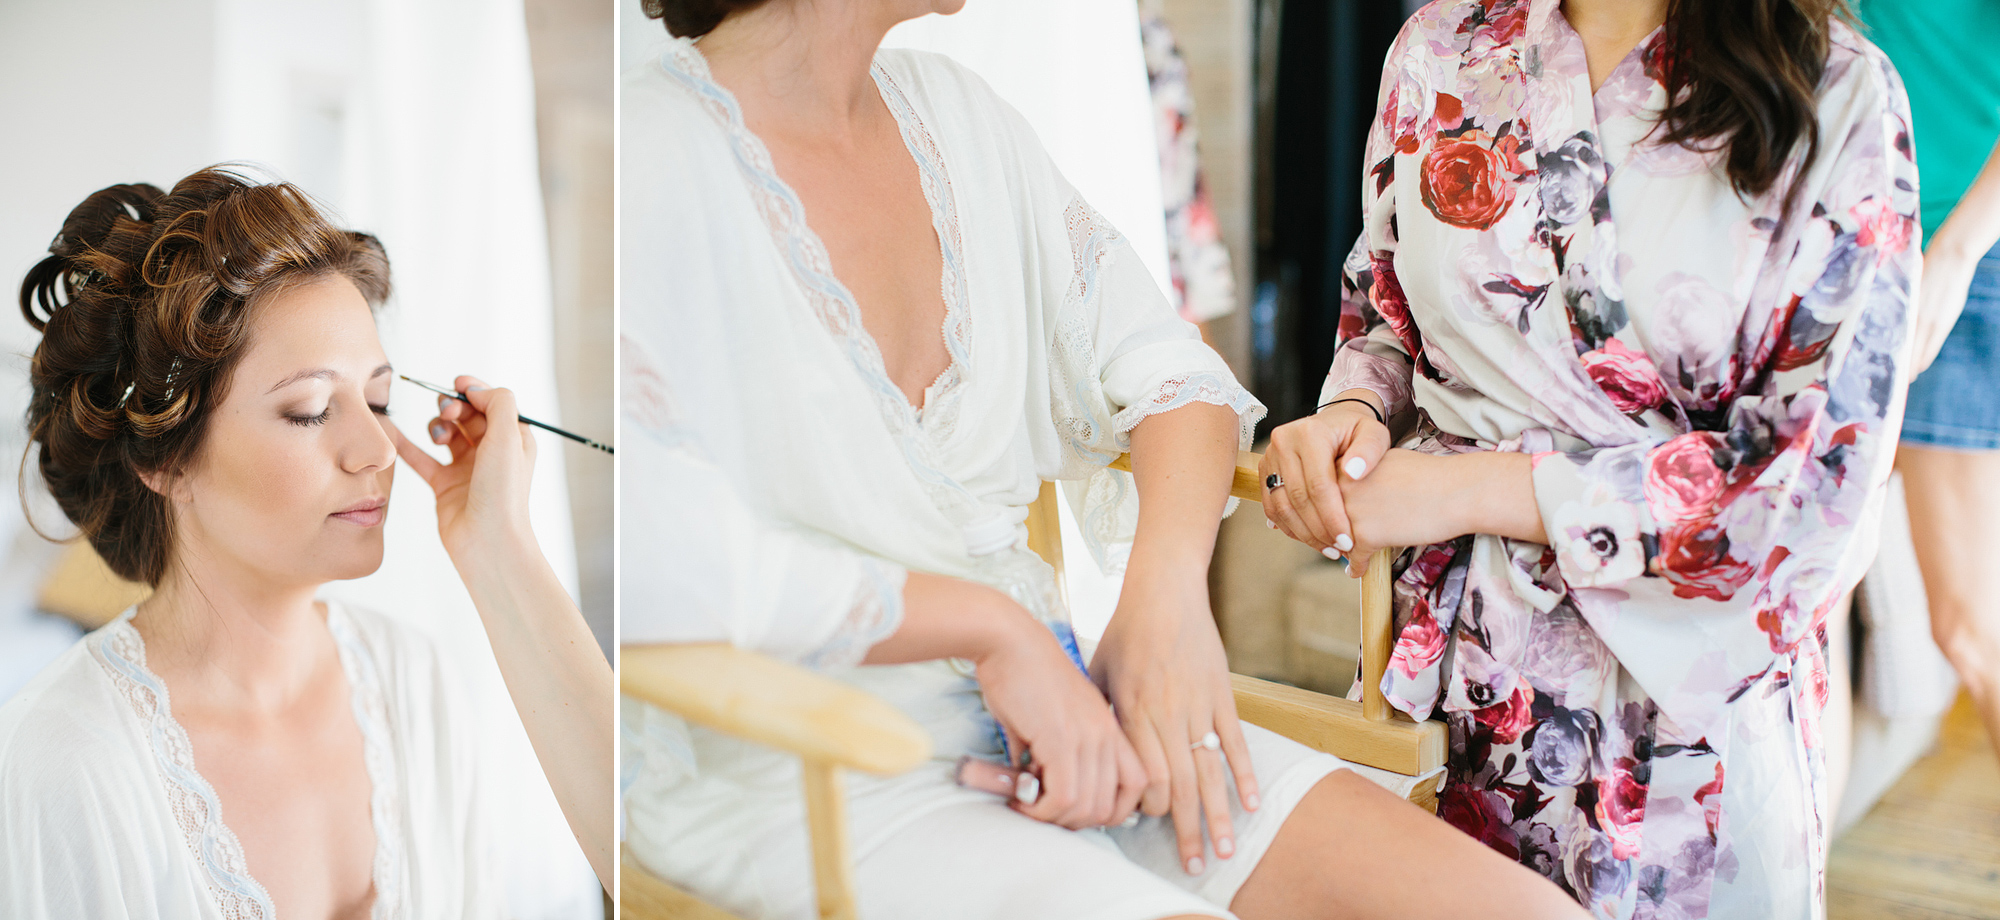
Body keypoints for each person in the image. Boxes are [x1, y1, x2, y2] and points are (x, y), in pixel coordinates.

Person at [618, 1, 1589, 919]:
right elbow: (652, 554)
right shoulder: (651, 162)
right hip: (815, 771)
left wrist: (1162, 591)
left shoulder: (954, 117)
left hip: (1075, 720)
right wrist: (996, 629)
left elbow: (1174, 372)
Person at [1260, 0, 1916, 916]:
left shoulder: (1838, 93)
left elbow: (1815, 490)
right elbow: (1385, 307)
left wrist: (1470, 491)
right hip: (1447, 687)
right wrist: (1357, 407)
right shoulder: (1442, 45)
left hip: (1684, 724)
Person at [0, 168, 612, 918]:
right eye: (313, 410)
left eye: (380, 399)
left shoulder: (413, 685)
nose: (379, 450)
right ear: (165, 460)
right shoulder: (68, 761)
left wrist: (503, 543)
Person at [1855, 0, 2000, 763]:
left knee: (1971, 628)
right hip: (1844, 245)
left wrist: (1954, 255)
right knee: (1807, 615)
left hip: (1961, 250)